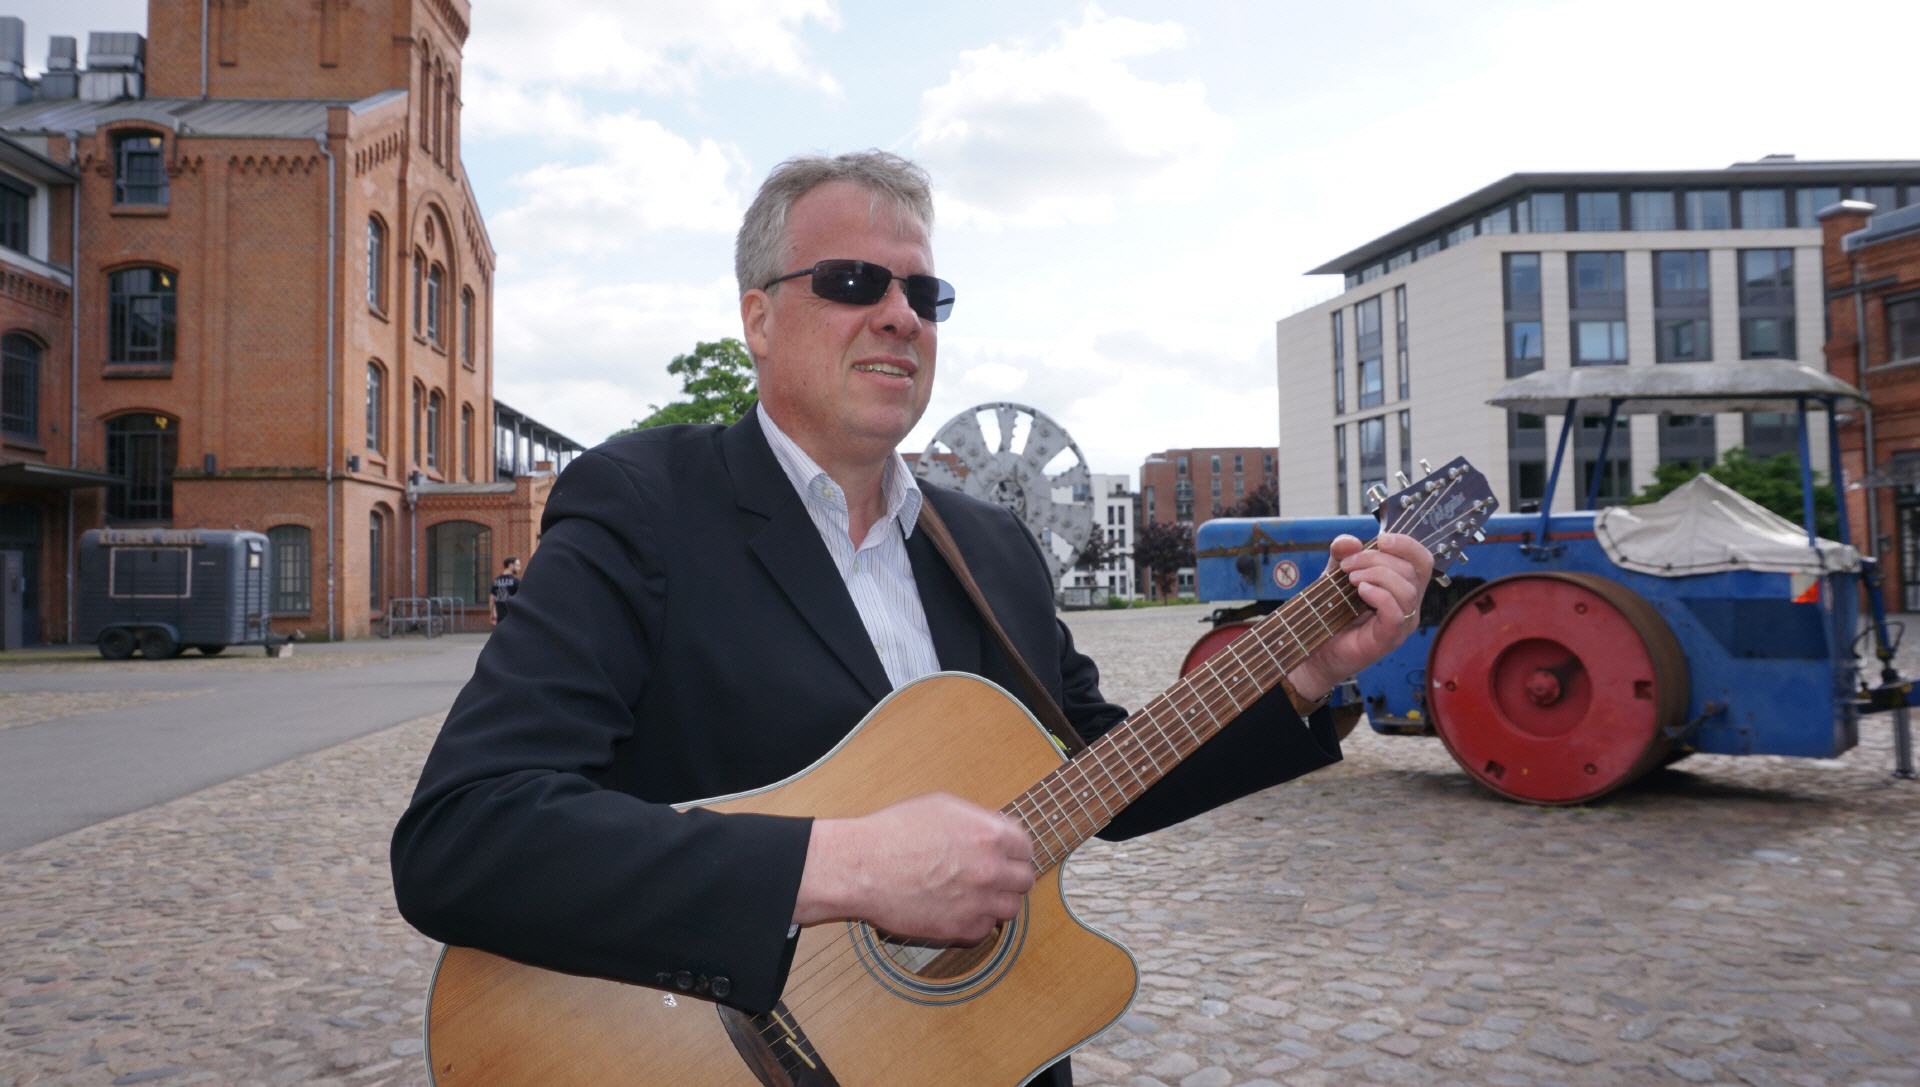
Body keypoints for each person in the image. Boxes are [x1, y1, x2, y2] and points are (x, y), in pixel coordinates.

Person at [390, 150, 1433, 1085]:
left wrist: (1299, 671)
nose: (901, 314)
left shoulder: (987, 545)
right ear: (757, 318)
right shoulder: (645, 503)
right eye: (854, 282)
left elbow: (1103, 776)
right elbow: (466, 835)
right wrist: (843, 866)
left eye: (926, 293)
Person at [487, 556, 520, 625]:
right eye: (517, 565)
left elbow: (492, 599)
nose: (519, 568)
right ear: (511, 565)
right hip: (512, 617)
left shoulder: (497, 580)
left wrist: (492, 615)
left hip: (500, 617)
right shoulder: (516, 581)